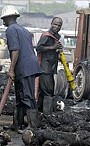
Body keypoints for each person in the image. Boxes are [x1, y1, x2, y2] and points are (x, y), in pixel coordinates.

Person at [1, 5, 42, 133]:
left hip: (25, 67)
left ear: (8, 18)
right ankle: (16, 124)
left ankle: (32, 126)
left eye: (3, 18)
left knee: (27, 96)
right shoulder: (23, 29)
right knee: (20, 97)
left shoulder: (11, 30)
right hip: (27, 66)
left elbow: (16, 50)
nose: (2, 21)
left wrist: (11, 69)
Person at [36, 17, 63, 115]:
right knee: (48, 91)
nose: (56, 27)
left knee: (43, 91)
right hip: (45, 68)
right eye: (55, 24)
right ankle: (47, 115)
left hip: (50, 68)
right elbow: (38, 48)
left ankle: (39, 112)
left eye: (59, 25)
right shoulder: (47, 36)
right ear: (51, 24)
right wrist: (53, 47)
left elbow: (52, 53)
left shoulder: (56, 37)